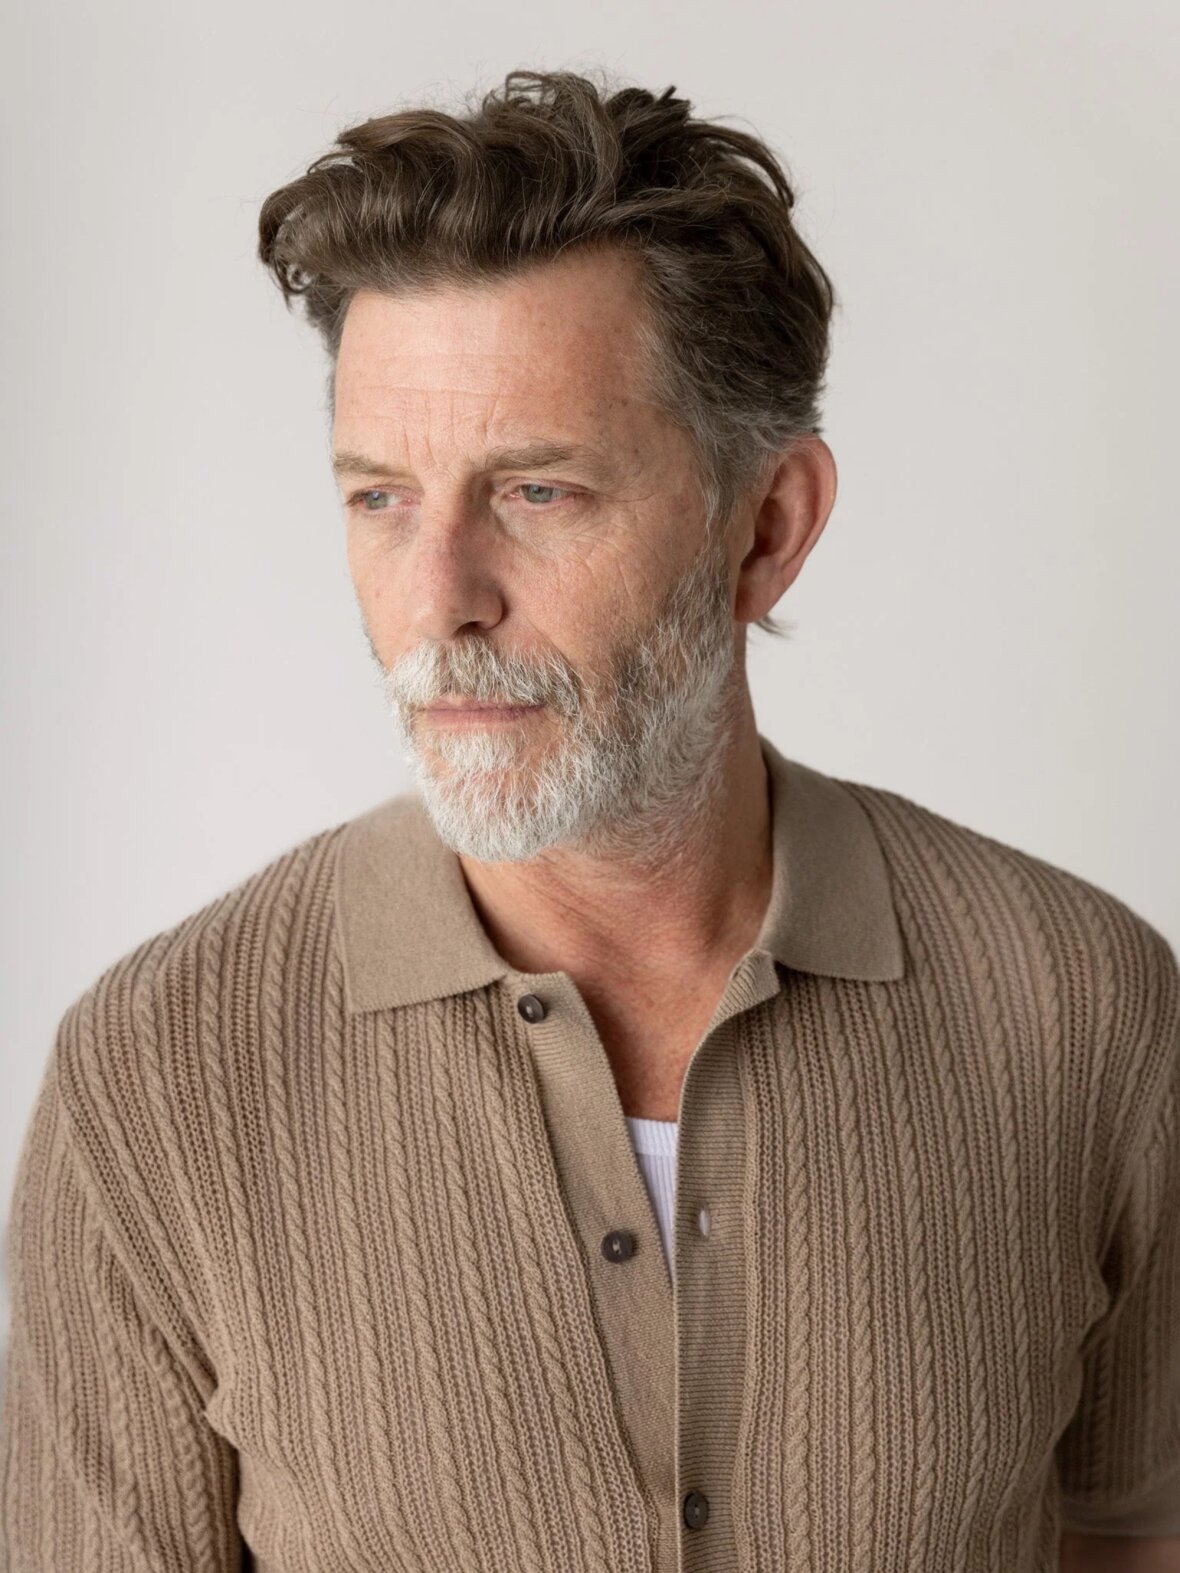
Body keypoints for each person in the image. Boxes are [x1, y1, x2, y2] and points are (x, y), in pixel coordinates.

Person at [2, 67, 1177, 1573]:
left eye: (538, 492)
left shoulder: (1087, 1009)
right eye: (380, 498)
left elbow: (1136, 1529)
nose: (440, 603)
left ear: (767, 527)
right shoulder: (158, 1076)